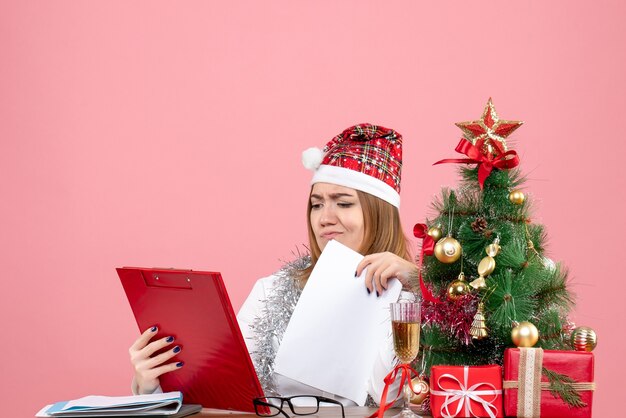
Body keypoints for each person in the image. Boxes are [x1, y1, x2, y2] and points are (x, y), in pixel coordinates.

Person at [128, 123, 418, 405]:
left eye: (343, 203)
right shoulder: (272, 291)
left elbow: (410, 394)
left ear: (380, 214)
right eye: (317, 204)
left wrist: (420, 286)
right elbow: (224, 395)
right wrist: (152, 386)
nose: (324, 218)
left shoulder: (414, 298)